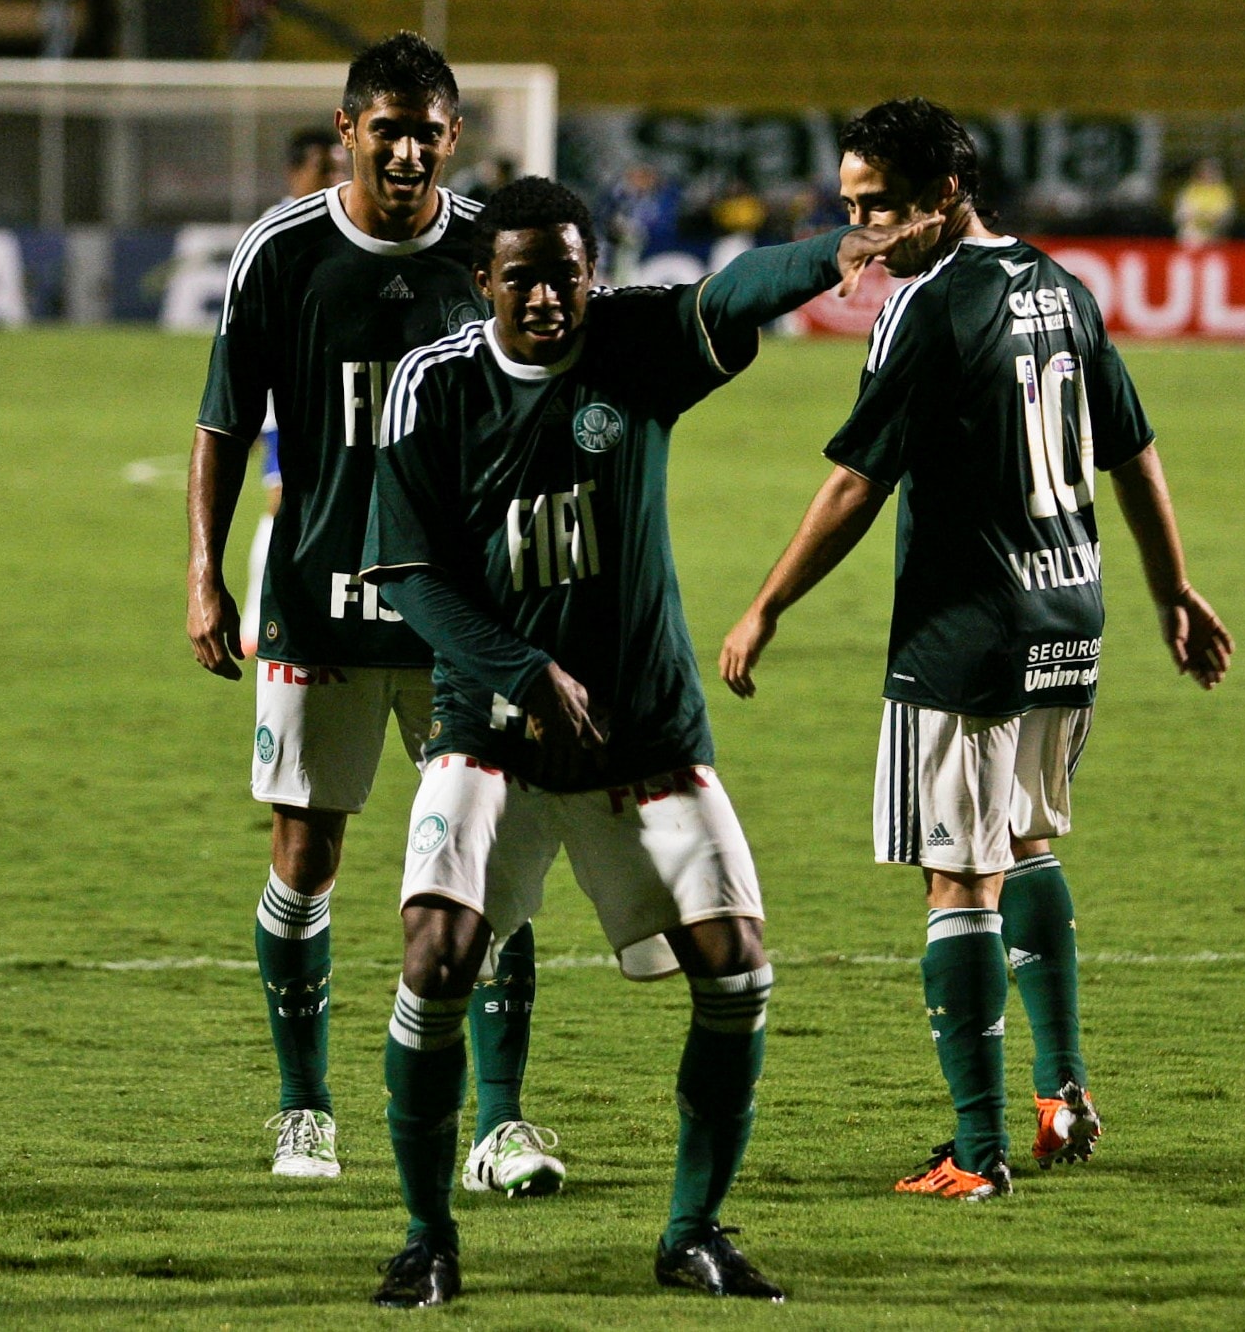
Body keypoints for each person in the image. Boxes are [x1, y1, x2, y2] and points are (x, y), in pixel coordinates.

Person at [360, 175, 927, 1308]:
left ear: (590, 273)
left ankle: (692, 1231)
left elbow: (729, 297)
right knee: (434, 954)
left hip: (644, 731)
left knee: (737, 970)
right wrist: (522, 671)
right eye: (518, 274)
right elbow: (409, 578)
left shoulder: (630, 344)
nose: (543, 295)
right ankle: (426, 1238)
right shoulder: (433, 387)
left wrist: (835, 252)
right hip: (492, 734)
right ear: (482, 282)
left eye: (563, 272)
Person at [719, 97, 1234, 1202]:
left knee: (956, 876)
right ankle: (1061, 1092)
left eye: (878, 211)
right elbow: (1131, 455)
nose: (860, 233)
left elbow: (856, 483)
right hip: (1068, 617)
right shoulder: (1061, 286)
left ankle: (974, 1149)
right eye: (847, 209)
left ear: (943, 196)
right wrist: (1169, 589)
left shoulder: (926, 307)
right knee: (1029, 844)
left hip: (966, 634)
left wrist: (765, 604)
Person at [189, 32, 565, 1194]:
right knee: (307, 854)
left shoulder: (491, 250)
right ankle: (303, 1107)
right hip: (318, 595)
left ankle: (496, 1123)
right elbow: (220, 421)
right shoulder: (281, 252)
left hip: (462, 608)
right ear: (347, 131)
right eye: (383, 127)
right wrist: (202, 572)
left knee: (484, 859)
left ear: (453, 137)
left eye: (425, 130)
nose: (404, 150)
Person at [242, 128, 351, 658]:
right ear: (296, 174)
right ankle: (257, 614)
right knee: (282, 499)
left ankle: (324, 609)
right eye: (324, 170)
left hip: (337, 390)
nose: (336, 179)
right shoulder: (276, 234)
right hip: (283, 388)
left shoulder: (350, 225)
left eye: (339, 168)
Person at [1172, 158, 1234, 247]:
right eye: (1204, 171)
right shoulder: (1189, 190)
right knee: (1187, 237)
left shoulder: (1223, 191)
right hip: (1192, 232)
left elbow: (1227, 214)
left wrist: (1213, 218)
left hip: (1215, 232)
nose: (1207, 174)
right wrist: (1194, 217)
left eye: (1211, 172)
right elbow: (1179, 213)